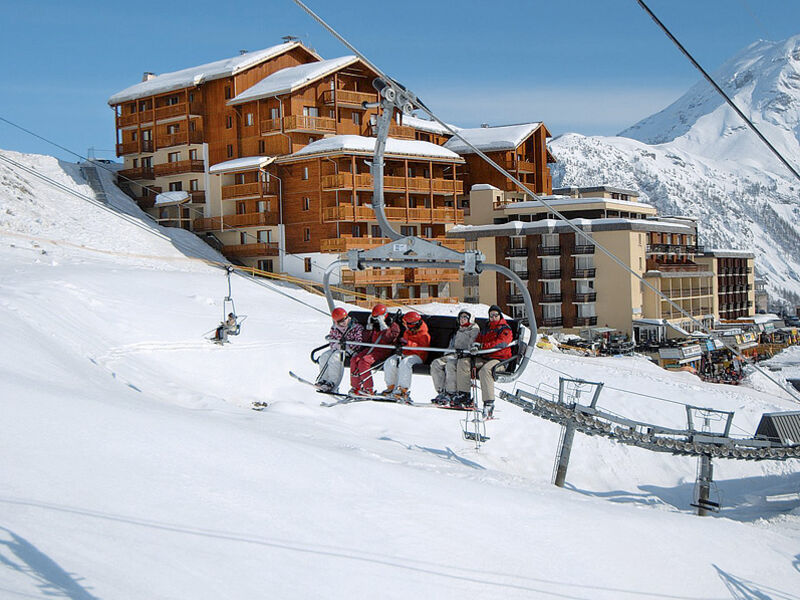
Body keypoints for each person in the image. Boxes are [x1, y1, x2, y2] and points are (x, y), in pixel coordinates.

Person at [456, 305, 513, 417]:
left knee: (485, 371)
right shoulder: (487, 329)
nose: (493, 317)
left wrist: (482, 346)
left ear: (499, 316)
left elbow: (501, 343)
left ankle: (489, 403)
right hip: (484, 357)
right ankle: (464, 395)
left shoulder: (505, 329)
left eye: (495, 315)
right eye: (491, 315)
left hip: (499, 360)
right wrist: (476, 345)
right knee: (463, 362)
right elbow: (479, 339)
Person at [430, 309, 480, 405]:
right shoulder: (460, 329)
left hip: (465, 357)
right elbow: (453, 345)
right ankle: (442, 391)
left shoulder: (474, 329)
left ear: (471, 318)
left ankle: (451, 392)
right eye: (461, 317)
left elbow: (473, 344)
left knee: (450, 365)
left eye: (465, 317)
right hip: (455, 354)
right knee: (436, 363)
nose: (462, 319)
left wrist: (466, 351)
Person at [349, 303, 400, 396]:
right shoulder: (374, 325)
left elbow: (390, 339)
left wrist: (384, 327)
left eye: (378, 318)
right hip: (372, 348)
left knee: (364, 361)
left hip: (384, 350)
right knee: (354, 360)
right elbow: (366, 339)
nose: (376, 320)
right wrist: (369, 328)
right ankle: (356, 387)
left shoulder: (393, 326)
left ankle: (368, 388)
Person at [382, 311, 430, 403]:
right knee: (390, 362)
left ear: (412, 324)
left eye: (405, 323)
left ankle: (403, 390)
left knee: (405, 364)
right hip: (405, 353)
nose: (404, 325)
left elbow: (422, 349)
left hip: (418, 356)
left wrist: (408, 343)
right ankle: (391, 386)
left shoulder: (424, 334)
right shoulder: (408, 331)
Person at [316, 307, 365, 393]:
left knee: (335, 357)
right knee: (324, 356)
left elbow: (359, 342)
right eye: (340, 321)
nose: (343, 322)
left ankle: (332, 383)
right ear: (336, 322)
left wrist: (346, 345)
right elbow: (332, 340)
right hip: (338, 349)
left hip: (351, 351)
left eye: (345, 319)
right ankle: (323, 380)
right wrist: (336, 345)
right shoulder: (335, 328)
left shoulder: (356, 327)